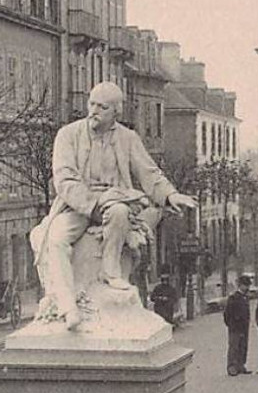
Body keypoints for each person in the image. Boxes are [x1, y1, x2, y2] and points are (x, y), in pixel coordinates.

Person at [29, 82, 199, 329]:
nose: (94, 111)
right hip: (77, 205)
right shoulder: (67, 135)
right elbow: (64, 180)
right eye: (92, 104)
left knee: (120, 212)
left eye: (102, 107)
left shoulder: (127, 138)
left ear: (116, 113)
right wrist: (93, 204)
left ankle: (111, 272)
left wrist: (171, 195)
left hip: (116, 201)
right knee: (55, 238)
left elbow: (149, 172)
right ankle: (67, 307)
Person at [224, 274, 251, 375]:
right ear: (240, 285)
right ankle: (232, 366)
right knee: (234, 347)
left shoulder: (246, 297)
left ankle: (241, 365)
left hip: (244, 326)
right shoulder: (233, 298)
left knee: (243, 346)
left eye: (248, 285)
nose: (247, 287)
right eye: (245, 285)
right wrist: (231, 324)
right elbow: (227, 313)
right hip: (235, 326)